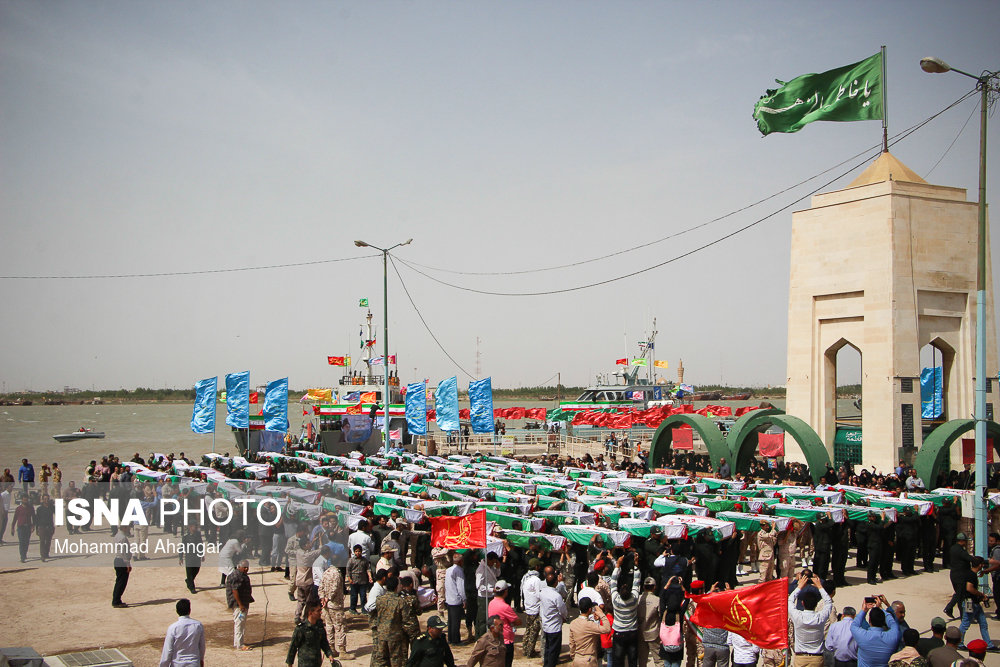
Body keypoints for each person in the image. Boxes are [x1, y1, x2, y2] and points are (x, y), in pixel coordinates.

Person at [374, 574, 420, 667]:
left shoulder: (379, 600)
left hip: (381, 634)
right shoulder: (400, 601)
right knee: (396, 660)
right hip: (395, 635)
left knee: (381, 660)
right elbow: (406, 620)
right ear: (396, 586)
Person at [788, 572, 833, 667]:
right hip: (817, 659)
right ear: (816, 604)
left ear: (802, 603)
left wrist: (799, 586)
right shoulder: (820, 617)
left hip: (801, 658)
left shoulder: (798, 616)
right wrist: (819, 586)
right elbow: (828, 601)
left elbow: (790, 600)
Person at [956, 556, 996, 648]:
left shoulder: (970, 573)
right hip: (970, 603)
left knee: (983, 624)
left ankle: (989, 644)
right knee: (965, 624)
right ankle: (959, 643)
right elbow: (969, 588)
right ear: (980, 565)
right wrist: (981, 594)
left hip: (975, 603)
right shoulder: (971, 575)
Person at [850, 595, 899, 667]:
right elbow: (893, 623)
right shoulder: (892, 636)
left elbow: (854, 625)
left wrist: (864, 610)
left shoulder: (863, 636)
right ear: (883, 621)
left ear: (869, 621)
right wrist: (881, 608)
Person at [159, 598, 206, 667]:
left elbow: (168, 650)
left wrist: (163, 665)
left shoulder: (173, 628)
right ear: (189, 611)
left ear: (177, 611)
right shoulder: (198, 625)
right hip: (194, 663)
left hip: (177, 664)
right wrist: (201, 660)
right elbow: (202, 646)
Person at [286, 602, 335, 667]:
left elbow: (324, 643)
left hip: (317, 663)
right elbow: (293, 647)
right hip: (305, 664)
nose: (321, 612)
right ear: (310, 613)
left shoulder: (319, 627)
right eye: (318, 611)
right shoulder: (301, 628)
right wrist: (290, 664)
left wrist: (330, 655)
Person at [318, 553, 348, 657]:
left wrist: (323, 598)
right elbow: (334, 588)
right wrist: (328, 598)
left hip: (327, 605)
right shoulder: (337, 573)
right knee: (339, 627)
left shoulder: (326, 572)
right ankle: (342, 651)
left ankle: (331, 648)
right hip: (336, 604)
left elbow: (320, 586)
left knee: (329, 627)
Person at [569, 597, 611, 667]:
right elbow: (607, 629)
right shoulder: (590, 625)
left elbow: (571, 644)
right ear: (589, 609)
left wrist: (574, 657)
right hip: (589, 660)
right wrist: (601, 614)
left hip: (577, 659)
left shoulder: (573, 623)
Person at [488, 581, 520, 667]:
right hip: (506, 640)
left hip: (495, 638)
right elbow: (517, 621)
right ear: (505, 592)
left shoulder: (491, 603)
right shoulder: (505, 607)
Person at [540, 572, 568, 667]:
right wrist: (564, 617)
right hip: (555, 627)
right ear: (556, 582)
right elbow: (563, 610)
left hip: (546, 625)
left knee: (548, 648)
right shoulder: (556, 596)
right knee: (553, 651)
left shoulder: (543, 592)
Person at [226, 559, 254, 651]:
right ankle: (239, 644)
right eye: (244, 567)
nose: (246, 569)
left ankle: (238, 642)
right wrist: (240, 605)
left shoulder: (242, 575)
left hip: (243, 603)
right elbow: (235, 591)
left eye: (247, 567)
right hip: (239, 604)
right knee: (239, 623)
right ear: (239, 567)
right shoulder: (236, 576)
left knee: (241, 623)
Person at [522, 558, 545, 658]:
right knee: (534, 632)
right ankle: (530, 652)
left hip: (528, 607)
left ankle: (525, 648)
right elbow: (539, 594)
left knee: (528, 630)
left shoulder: (525, 578)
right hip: (535, 609)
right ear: (536, 567)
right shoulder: (536, 580)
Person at [476, 552, 502, 638]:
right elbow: (479, 586)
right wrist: (492, 590)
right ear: (489, 560)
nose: (493, 564)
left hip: (491, 595)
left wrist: (498, 567)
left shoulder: (491, 567)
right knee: (483, 618)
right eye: (493, 562)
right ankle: (480, 637)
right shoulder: (481, 569)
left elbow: (497, 575)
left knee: (490, 616)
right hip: (484, 596)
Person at [637, 577, 661, 667]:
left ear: (643, 587)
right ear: (654, 587)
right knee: (658, 661)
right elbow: (661, 616)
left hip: (640, 633)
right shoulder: (657, 600)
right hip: (654, 634)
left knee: (642, 662)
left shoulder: (638, 599)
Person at [446, 553, 468, 644]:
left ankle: (451, 638)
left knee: (451, 620)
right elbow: (460, 586)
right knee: (455, 621)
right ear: (460, 561)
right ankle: (455, 640)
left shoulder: (448, 570)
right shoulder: (459, 571)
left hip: (449, 598)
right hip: (456, 599)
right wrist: (464, 599)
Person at [348, 543, 374, 613]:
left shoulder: (364, 560)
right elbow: (348, 570)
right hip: (354, 580)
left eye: (359, 551)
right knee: (354, 595)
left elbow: (368, 569)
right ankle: (352, 608)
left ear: (361, 551)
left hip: (363, 581)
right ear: (354, 552)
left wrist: (370, 577)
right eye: (356, 551)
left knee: (363, 596)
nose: (358, 553)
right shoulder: (351, 560)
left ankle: (364, 609)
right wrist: (349, 579)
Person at [112, 525, 133, 608]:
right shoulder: (123, 538)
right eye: (128, 527)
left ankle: (116, 599)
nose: (129, 529)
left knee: (119, 582)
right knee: (121, 582)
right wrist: (127, 563)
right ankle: (116, 601)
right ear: (124, 528)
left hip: (118, 560)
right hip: (122, 562)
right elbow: (123, 552)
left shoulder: (117, 535)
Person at [180, 525, 204, 595]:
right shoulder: (186, 537)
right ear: (190, 527)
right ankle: (192, 587)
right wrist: (180, 557)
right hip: (189, 557)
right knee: (189, 572)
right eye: (193, 526)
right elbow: (182, 547)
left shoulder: (198, 536)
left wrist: (202, 554)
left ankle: (189, 581)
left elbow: (201, 545)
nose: (195, 528)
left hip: (196, 556)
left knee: (196, 569)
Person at [10, 492, 34, 563]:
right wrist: (12, 527)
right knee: (21, 542)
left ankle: (24, 554)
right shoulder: (18, 508)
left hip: (28, 527)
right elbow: (15, 519)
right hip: (20, 527)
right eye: (24, 500)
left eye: (26, 500)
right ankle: (22, 557)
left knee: (26, 542)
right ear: (22, 500)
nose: (25, 501)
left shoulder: (30, 508)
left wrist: (33, 526)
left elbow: (34, 518)